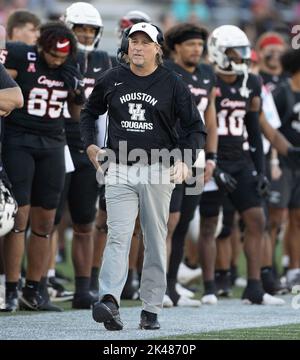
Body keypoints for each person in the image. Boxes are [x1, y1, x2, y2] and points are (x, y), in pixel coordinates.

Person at [80, 22, 206, 330]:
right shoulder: (111, 78)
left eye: (145, 42)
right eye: (133, 41)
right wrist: (91, 146)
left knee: (153, 239)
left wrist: (186, 160)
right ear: (126, 45)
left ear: (157, 49)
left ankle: (151, 307)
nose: (137, 47)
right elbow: (88, 113)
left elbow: (196, 128)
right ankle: (109, 300)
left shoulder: (173, 83)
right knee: (118, 236)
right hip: (119, 167)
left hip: (159, 166)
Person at [1, 21, 84, 312]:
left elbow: (76, 114)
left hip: (53, 144)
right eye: (52, 55)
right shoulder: (21, 55)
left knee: (46, 223)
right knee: (18, 219)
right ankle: (10, 287)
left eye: (62, 57)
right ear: (41, 47)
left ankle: (34, 289)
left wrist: (78, 91)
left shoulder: (72, 62)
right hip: (19, 141)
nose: (57, 61)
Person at [199, 25, 284, 305]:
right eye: (234, 52)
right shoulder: (207, 80)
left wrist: (260, 169)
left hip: (241, 157)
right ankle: (211, 286)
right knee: (211, 223)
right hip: (213, 158)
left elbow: (254, 130)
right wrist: (210, 161)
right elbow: (198, 126)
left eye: (243, 52)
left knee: (256, 220)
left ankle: (254, 286)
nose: (241, 57)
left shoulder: (252, 82)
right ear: (218, 52)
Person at [46, 2, 112, 309]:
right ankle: (41, 281)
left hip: (90, 147)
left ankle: (84, 287)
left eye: (91, 30)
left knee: (86, 220)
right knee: (48, 218)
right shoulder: (54, 58)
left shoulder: (105, 61)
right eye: (80, 29)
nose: (86, 35)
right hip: (55, 140)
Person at [163, 22, 217, 307]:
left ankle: (172, 286)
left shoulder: (207, 74)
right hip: (171, 155)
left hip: (195, 157)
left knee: (183, 222)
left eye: (200, 44)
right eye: (191, 44)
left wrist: (211, 156)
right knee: (168, 222)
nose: (197, 49)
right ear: (176, 47)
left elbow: (211, 118)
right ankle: (157, 285)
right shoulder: (167, 72)